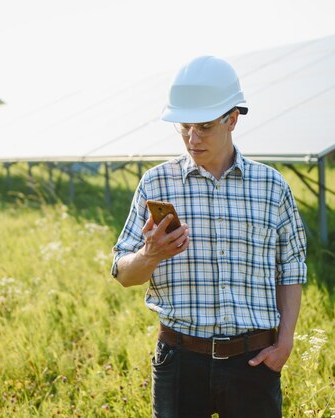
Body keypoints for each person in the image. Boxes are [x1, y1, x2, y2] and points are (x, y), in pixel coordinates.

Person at [111, 55, 307, 418]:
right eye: (184, 126)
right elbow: (123, 274)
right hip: (180, 361)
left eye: (203, 126)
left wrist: (284, 343)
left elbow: (291, 270)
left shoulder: (271, 187)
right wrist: (149, 255)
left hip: (254, 362)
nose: (191, 137)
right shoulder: (156, 183)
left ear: (232, 119)